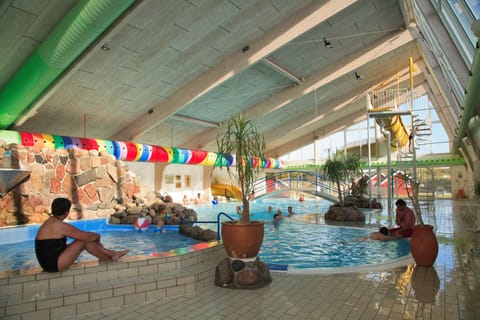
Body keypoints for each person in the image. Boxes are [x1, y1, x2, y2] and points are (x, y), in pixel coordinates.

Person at [35, 198, 128, 272]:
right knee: (84, 241)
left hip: (49, 262)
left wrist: (94, 238)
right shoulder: (59, 225)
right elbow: (87, 237)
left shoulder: (50, 222)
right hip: (53, 264)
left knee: (86, 241)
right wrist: (97, 237)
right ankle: (107, 258)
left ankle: (111, 255)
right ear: (66, 212)